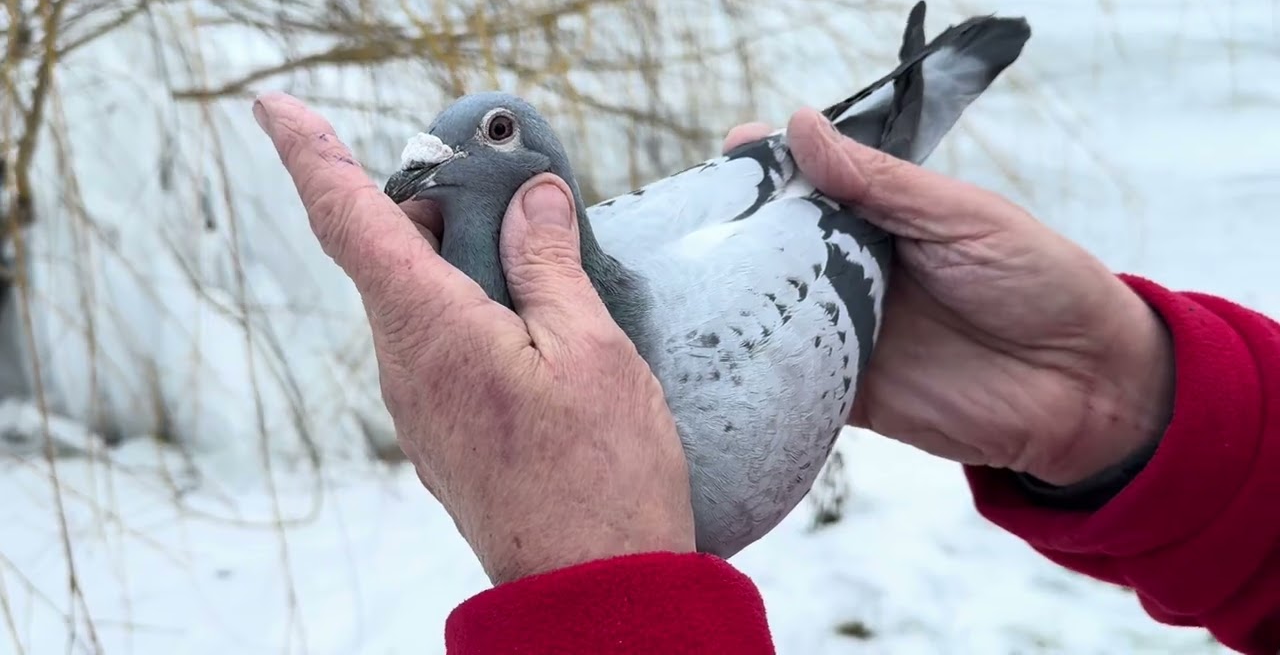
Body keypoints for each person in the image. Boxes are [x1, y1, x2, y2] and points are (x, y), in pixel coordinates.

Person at [252, 91, 1280, 655]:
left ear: (538, 165)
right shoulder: (589, 237)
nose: (435, 164)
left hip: (812, 254)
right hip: (771, 230)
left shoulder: (708, 415)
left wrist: (591, 577)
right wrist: (1119, 395)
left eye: (493, 134)